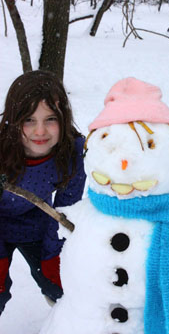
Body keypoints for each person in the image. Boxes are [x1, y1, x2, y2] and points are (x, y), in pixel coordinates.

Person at [0, 70, 86, 314]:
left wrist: (52, 256)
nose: (40, 131)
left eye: (50, 119)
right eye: (29, 120)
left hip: (38, 224)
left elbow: (64, 211)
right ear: (13, 120)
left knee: (63, 287)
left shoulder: (72, 152)